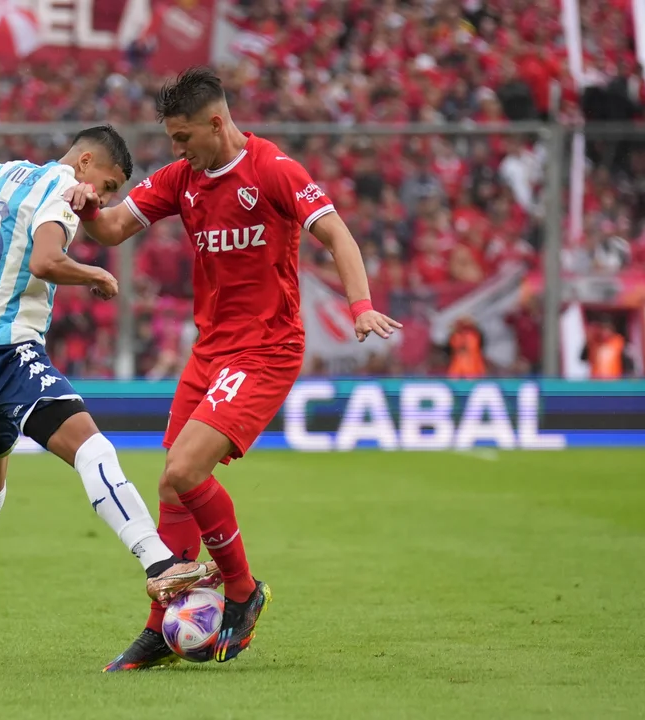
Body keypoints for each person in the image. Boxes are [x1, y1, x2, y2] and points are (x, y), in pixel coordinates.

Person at [65, 68, 402, 669]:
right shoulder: (181, 180)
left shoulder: (273, 170)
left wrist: (361, 306)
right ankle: (162, 627)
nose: (175, 150)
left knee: (186, 467)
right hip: (211, 350)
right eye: (171, 139)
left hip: (267, 349)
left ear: (216, 123)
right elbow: (114, 229)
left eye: (183, 136)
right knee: (170, 481)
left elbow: (338, 237)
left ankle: (243, 593)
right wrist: (88, 204)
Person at [0, 125, 219, 661]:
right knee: (91, 445)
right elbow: (44, 262)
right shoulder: (59, 194)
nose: (101, 203)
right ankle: (158, 562)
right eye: (105, 186)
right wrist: (94, 274)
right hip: (8, 349)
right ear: (84, 162)